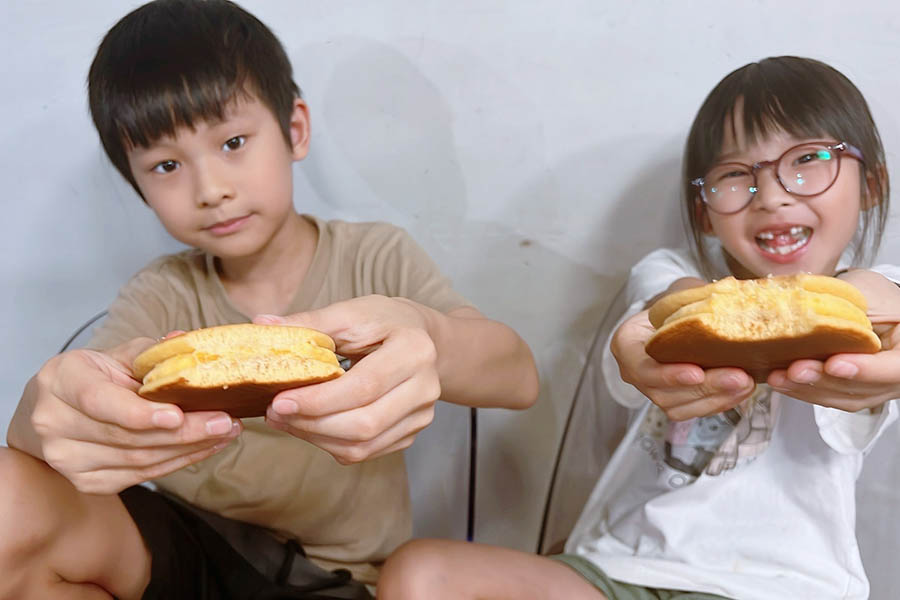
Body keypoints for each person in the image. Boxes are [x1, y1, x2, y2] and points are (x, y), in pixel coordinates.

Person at [0, 1, 539, 598]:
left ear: (294, 130)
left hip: (332, 575)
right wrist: (37, 418)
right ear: (137, 185)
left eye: (233, 142)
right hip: (189, 546)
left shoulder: (375, 260)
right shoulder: (161, 294)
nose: (211, 190)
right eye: (167, 164)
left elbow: (518, 378)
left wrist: (428, 335)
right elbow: (76, 416)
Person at [376, 56, 900, 600]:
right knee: (421, 571)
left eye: (810, 159)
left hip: (782, 586)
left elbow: (878, 296)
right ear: (703, 212)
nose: (771, 196)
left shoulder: (879, 295)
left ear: (872, 185)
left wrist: (862, 300)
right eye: (736, 174)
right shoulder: (672, 274)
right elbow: (664, 307)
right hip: (623, 572)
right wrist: (674, 328)